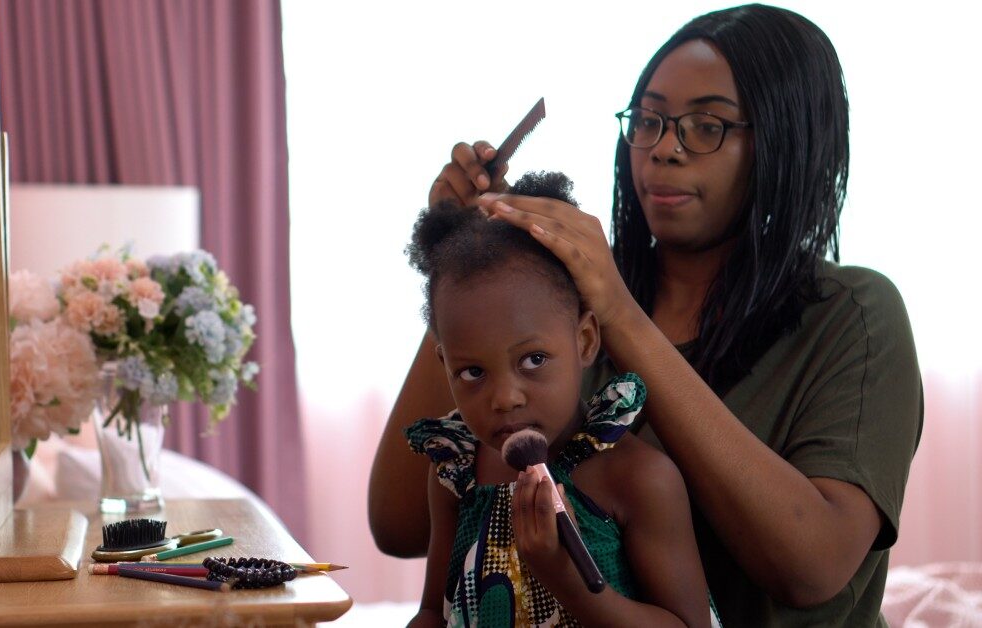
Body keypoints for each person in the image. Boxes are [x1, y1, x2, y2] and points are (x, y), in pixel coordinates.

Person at [369, 4, 922, 626]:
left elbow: (810, 567)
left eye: (706, 126)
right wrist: (462, 272)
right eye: (650, 120)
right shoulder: (564, 304)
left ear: (786, 142)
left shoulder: (854, 314)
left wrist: (624, 318)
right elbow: (398, 526)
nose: (663, 150)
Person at [404, 171, 713, 627]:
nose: (505, 398)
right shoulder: (458, 476)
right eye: (472, 372)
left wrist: (565, 577)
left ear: (585, 341)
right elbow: (434, 612)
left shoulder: (638, 478)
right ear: (444, 363)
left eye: (533, 360)